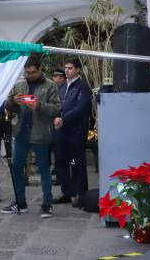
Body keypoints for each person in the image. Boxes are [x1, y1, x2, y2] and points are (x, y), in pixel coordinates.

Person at [2, 55, 60, 218]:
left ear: (39, 70)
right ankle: (20, 203)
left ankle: (47, 204)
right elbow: (8, 106)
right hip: (21, 133)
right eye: (27, 73)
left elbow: (56, 109)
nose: (30, 75)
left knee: (43, 169)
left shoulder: (50, 86)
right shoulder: (19, 85)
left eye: (33, 72)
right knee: (16, 167)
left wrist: (39, 105)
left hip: (41, 133)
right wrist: (13, 101)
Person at [53, 58, 91, 207]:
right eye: (66, 68)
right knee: (61, 162)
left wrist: (63, 119)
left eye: (70, 68)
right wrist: (54, 117)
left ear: (78, 70)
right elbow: (57, 105)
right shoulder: (61, 86)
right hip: (61, 131)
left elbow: (81, 109)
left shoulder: (83, 87)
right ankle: (66, 193)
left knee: (76, 163)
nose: (67, 70)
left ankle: (81, 194)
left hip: (75, 131)